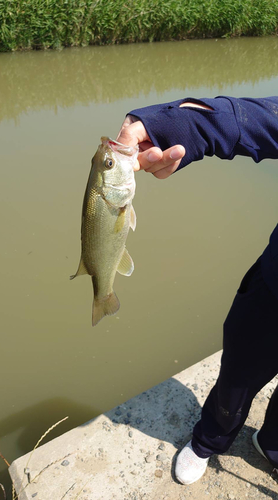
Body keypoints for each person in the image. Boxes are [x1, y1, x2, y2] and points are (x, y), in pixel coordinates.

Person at [116, 96, 278, 485]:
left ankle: (273, 444)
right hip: (275, 289)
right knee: (236, 377)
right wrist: (161, 126)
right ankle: (208, 441)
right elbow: (243, 120)